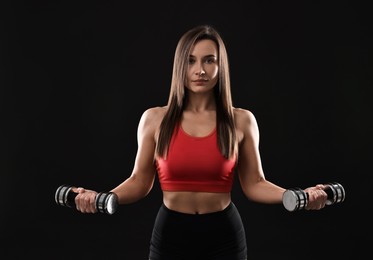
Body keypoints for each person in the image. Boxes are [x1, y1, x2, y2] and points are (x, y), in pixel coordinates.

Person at [72, 24, 328, 260]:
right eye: (191, 61)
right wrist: (102, 197)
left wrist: (295, 196)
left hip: (224, 235)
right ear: (179, 65)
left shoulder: (241, 120)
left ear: (221, 66)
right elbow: (139, 181)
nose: (200, 70)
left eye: (209, 60)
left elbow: (254, 184)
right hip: (171, 235)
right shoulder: (154, 119)